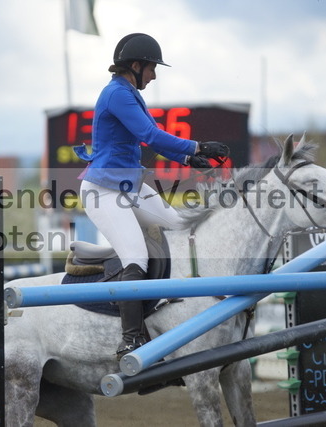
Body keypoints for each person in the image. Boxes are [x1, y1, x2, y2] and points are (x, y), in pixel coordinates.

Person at [75, 33, 229, 360]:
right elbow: (150, 135)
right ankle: (130, 340)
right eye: (152, 68)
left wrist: (189, 159)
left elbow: (154, 142)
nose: (155, 75)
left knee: (179, 225)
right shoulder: (117, 94)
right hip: (103, 191)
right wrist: (197, 146)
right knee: (136, 257)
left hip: (128, 187)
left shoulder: (128, 92)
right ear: (136, 65)